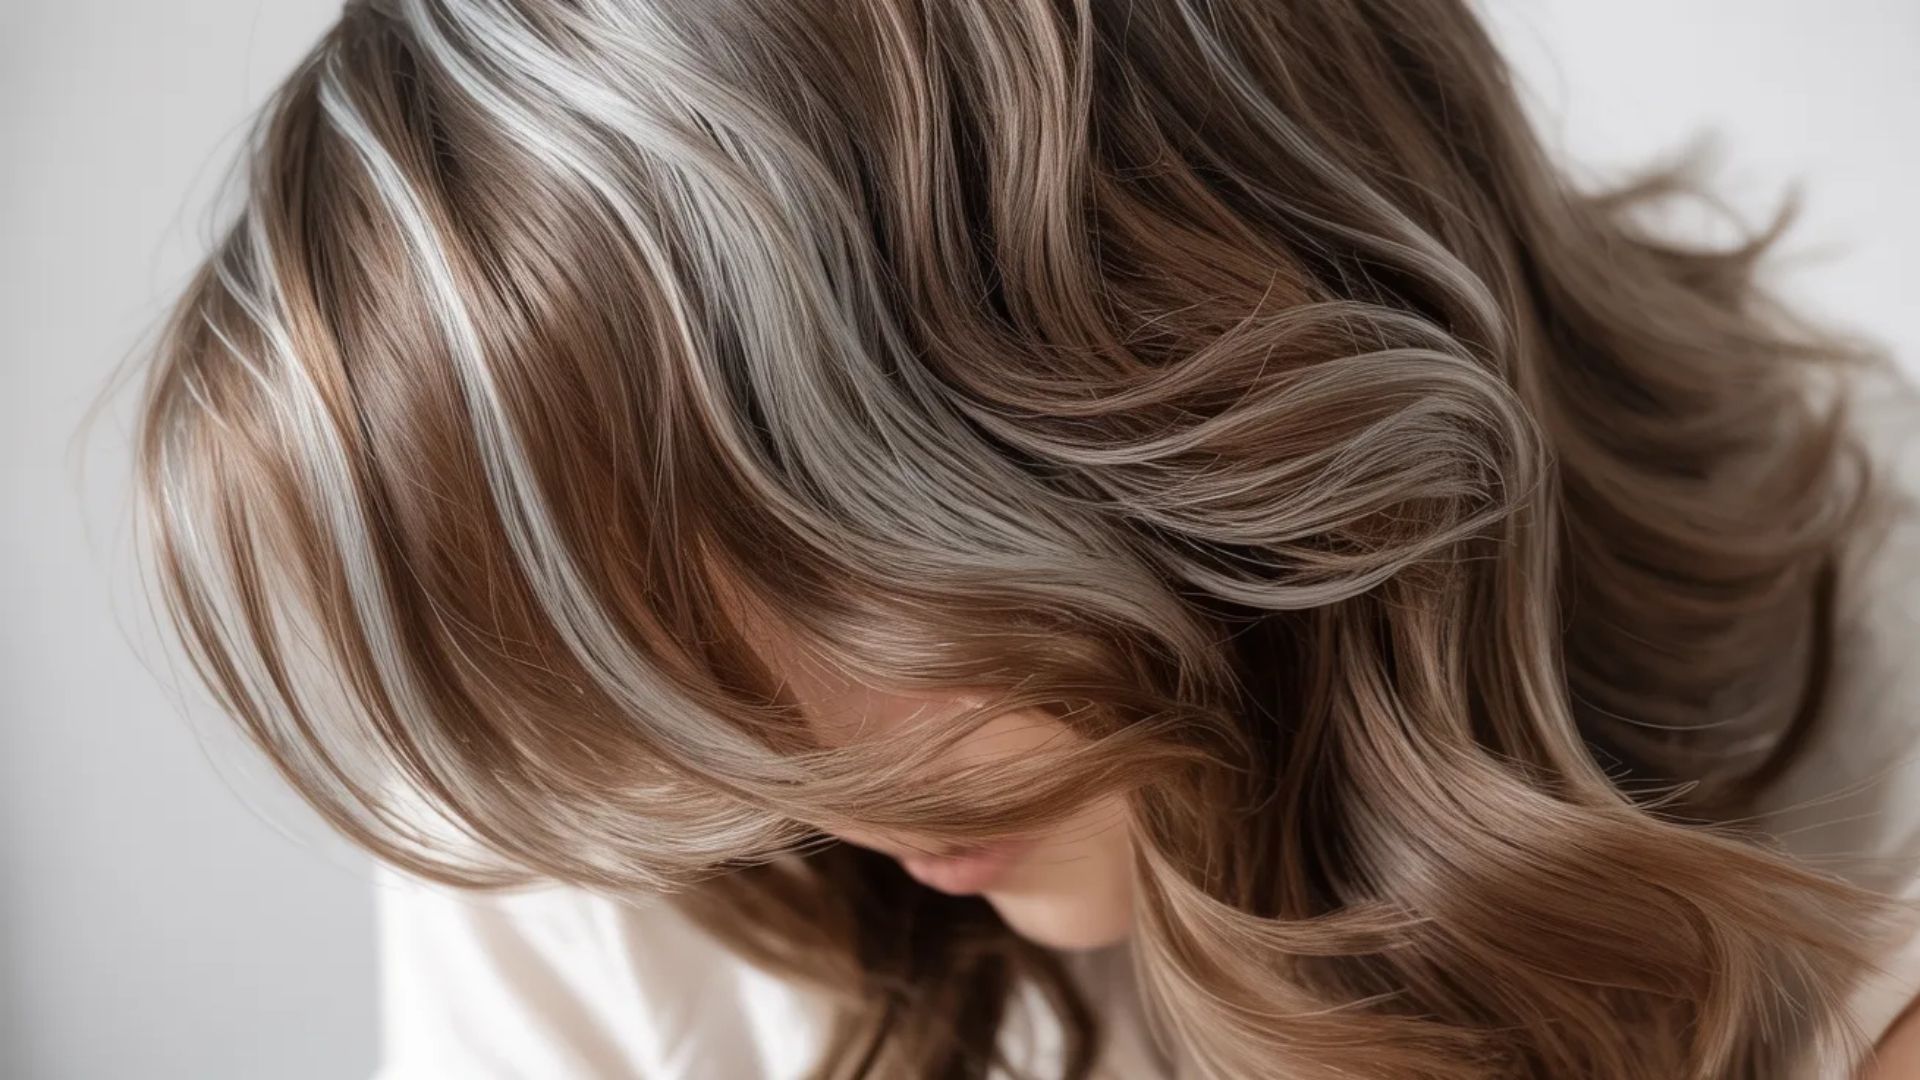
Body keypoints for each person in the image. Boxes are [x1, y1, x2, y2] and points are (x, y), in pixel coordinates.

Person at [125, 0, 1920, 1076]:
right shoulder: (617, 809)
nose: (787, 799)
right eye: (624, 658)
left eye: (763, 580)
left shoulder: (1872, 821)